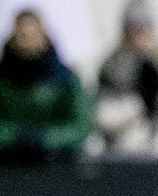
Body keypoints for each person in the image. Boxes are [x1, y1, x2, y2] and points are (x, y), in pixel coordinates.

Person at [96, 0, 158, 155]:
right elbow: (105, 118)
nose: (141, 36)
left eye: (145, 29)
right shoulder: (112, 66)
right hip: (126, 147)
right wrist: (138, 106)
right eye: (136, 30)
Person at [0, 9, 91, 163]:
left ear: (43, 38)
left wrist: (44, 138)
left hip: (56, 162)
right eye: (22, 37)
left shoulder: (65, 79)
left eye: (32, 37)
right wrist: (16, 136)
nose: (26, 44)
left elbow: (80, 127)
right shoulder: (4, 80)